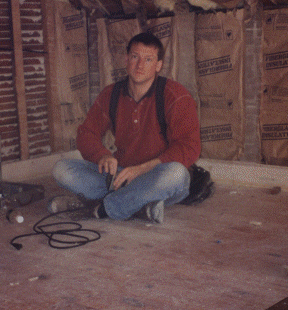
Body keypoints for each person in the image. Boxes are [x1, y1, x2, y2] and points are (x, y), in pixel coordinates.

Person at [50, 32, 201, 223]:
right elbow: (86, 133)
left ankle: (103, 208)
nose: (140, 65)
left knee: (177, 174)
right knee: (61, 169)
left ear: (158, 65)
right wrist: (102, 156)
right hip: (122, 175)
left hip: (157, 174)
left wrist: (142, 169)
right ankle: (140, 206)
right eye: (135, 57)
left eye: (148, 59)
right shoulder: (111, 94)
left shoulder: (175, 96)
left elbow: (190, 146)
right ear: (126, 60)